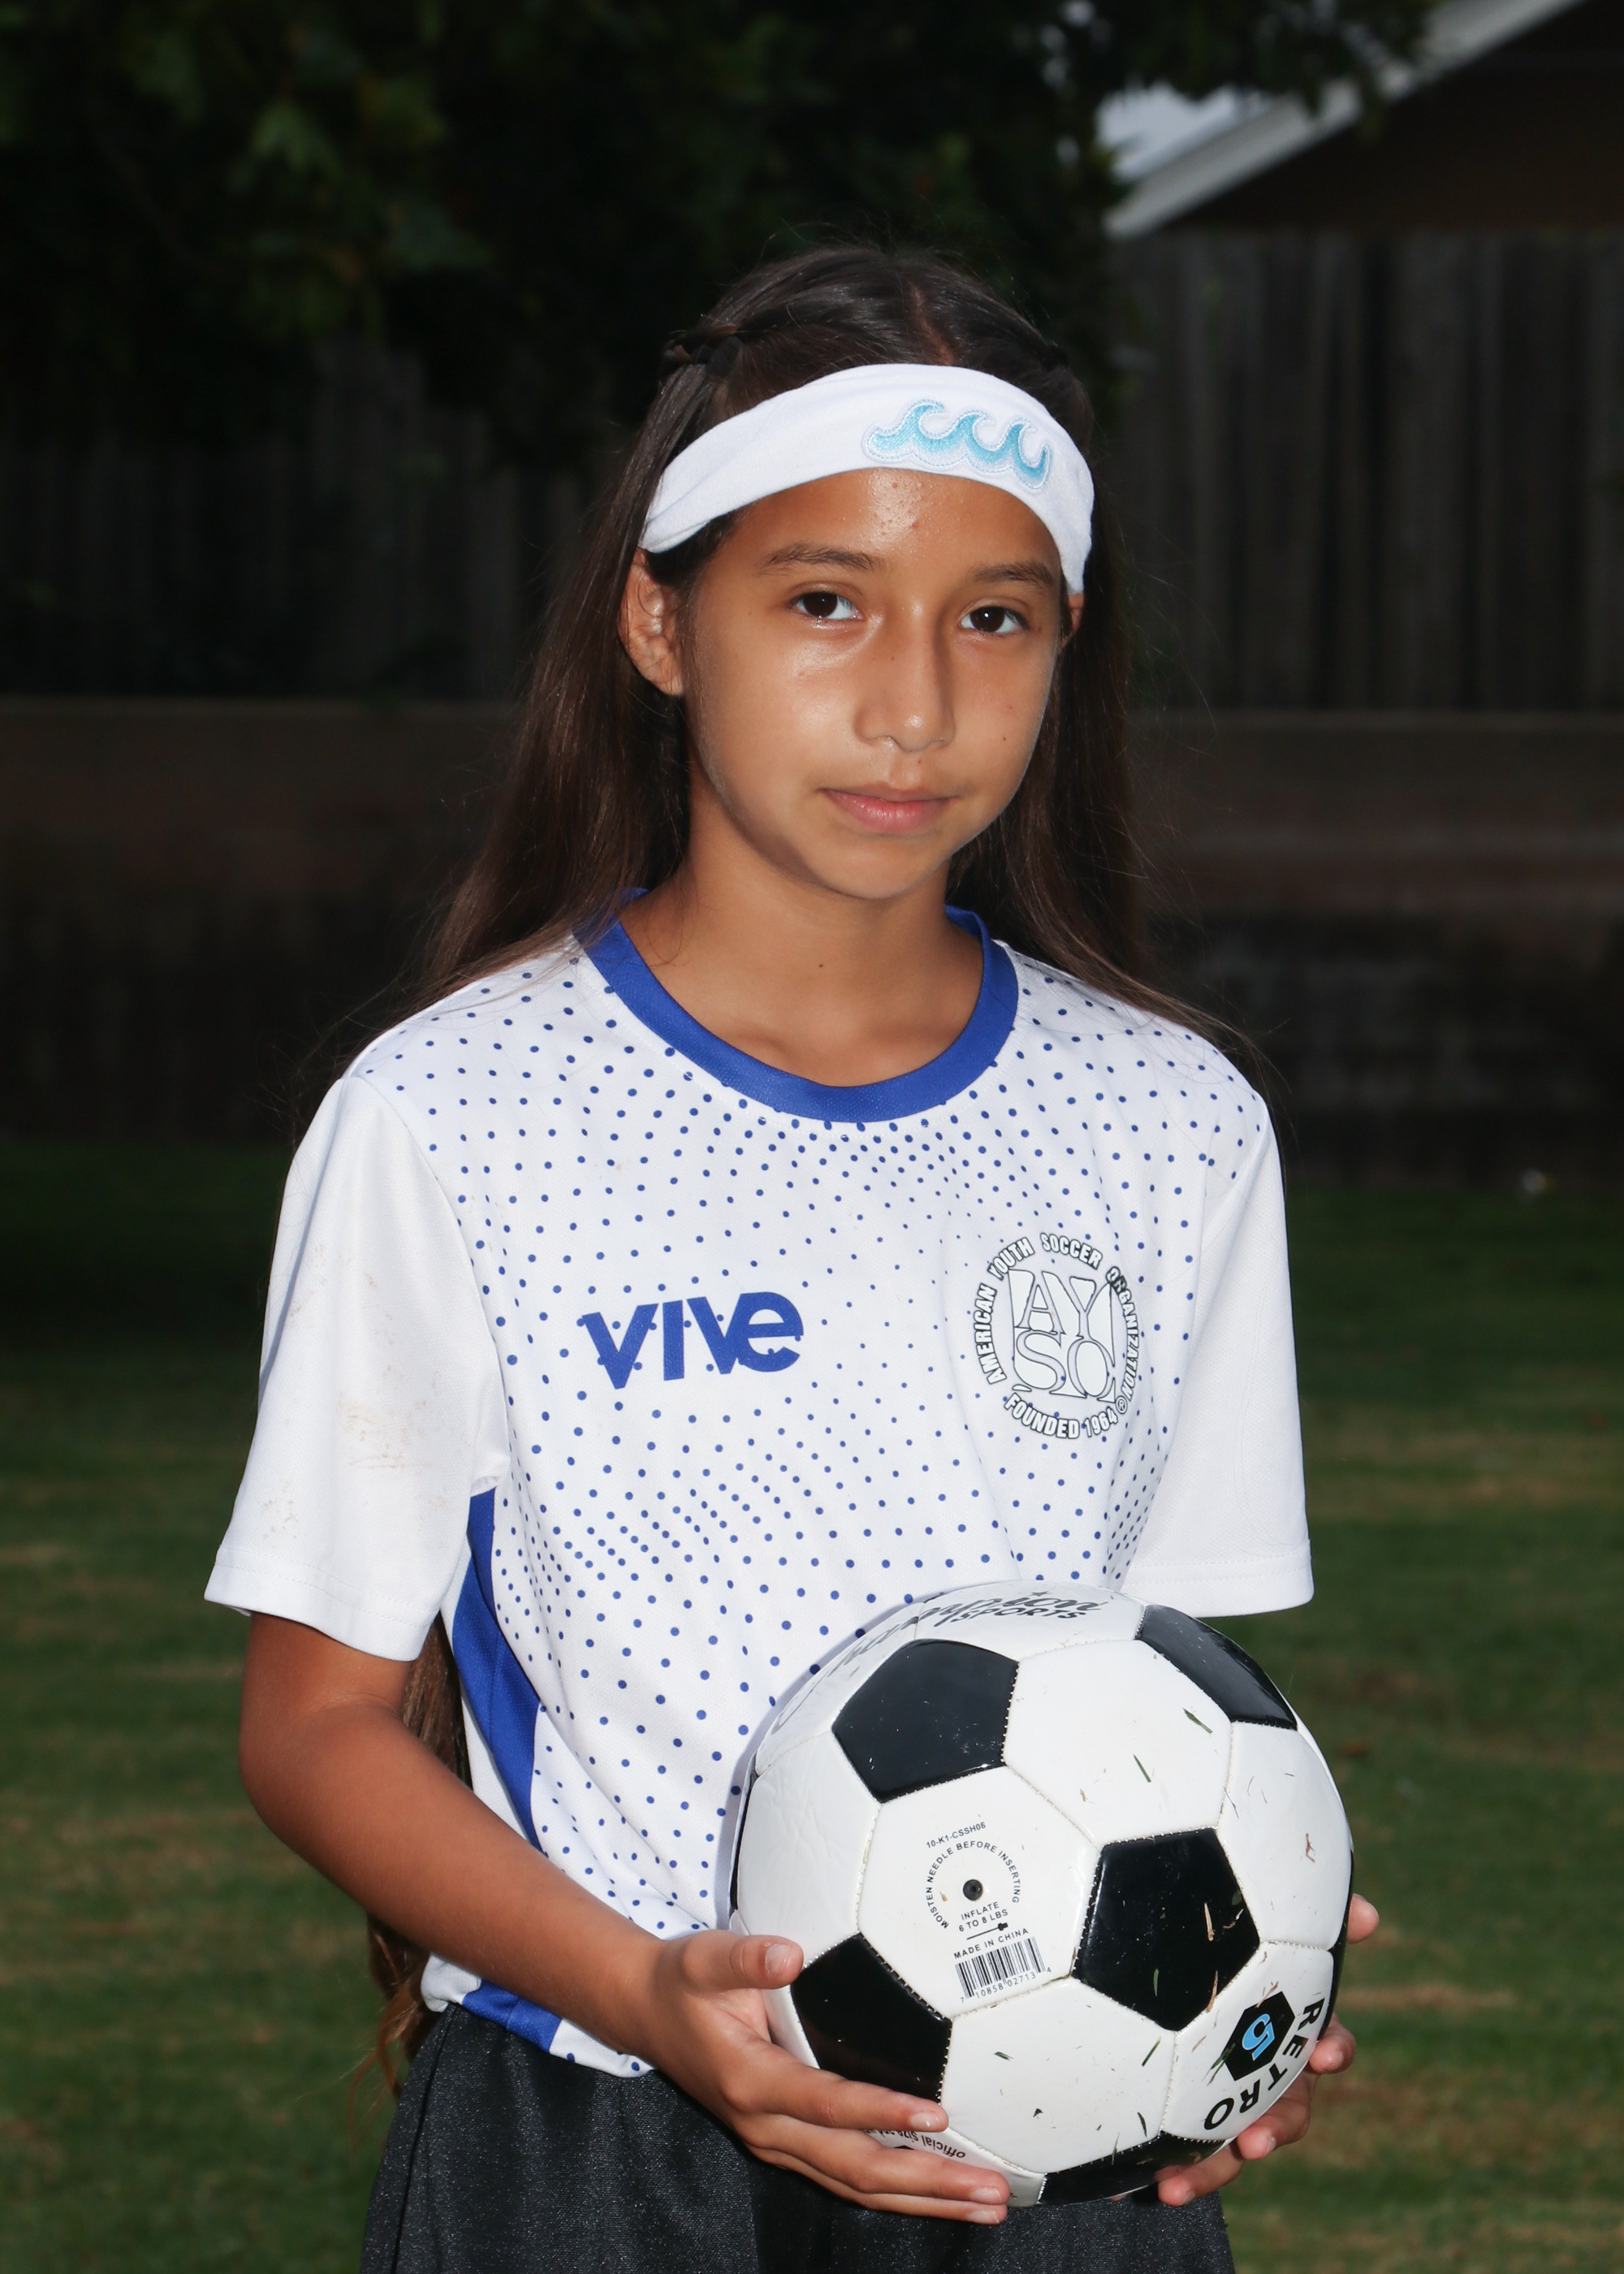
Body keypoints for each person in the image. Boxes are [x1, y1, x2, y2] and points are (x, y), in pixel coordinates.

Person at [206, 246, 1376, 2274]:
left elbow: (1171, 1695)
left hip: (1055, 2181)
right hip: (606, 2145)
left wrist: (1232, 1973)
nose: (912, 703)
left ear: (1064, 646)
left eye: (993, 617)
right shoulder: (457, 1114)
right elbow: (312, 1724)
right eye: (824, 600)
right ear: (660, 620)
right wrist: (647, 1989)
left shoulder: (1172, 1122)